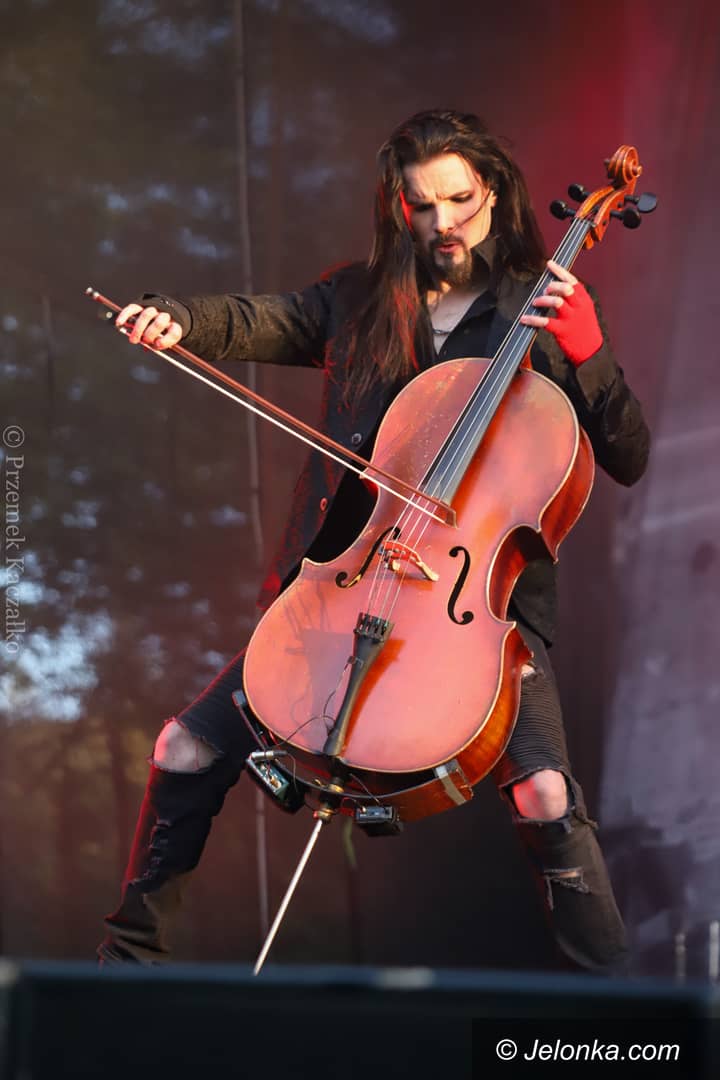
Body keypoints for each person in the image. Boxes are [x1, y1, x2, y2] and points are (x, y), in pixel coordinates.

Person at [98, 109, 650, 971]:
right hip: (348, 586)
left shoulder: (541, 308)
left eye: (460, 200)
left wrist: (591, 355)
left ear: (494, 192)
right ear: (399, 207)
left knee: (545, 793)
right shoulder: (356, 301)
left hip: (478, 606)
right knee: (183, 747)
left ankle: (622, 1015)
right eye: (422, 205)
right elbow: (253, 319)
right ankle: (123, 972)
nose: (444, 223)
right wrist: (174, 317)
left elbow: (628, 456)